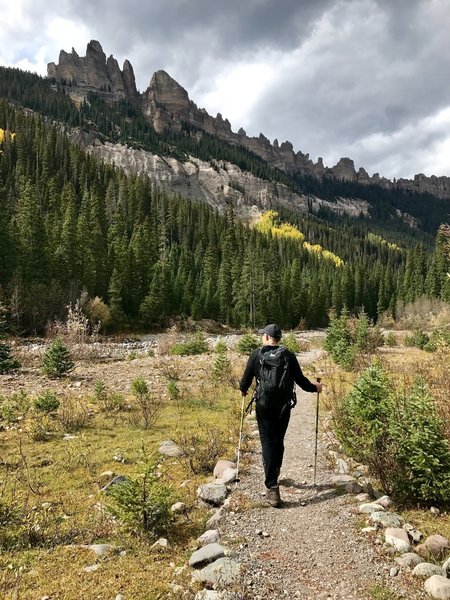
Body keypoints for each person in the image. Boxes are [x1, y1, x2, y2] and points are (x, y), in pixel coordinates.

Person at [239, 324, 323, 507]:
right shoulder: (288, 355)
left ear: (269, 337)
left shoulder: (256, 354)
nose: (262, 337)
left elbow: (245, 380)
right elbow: (301, 381)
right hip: (283, 407)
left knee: (267, 442)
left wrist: (243, 390)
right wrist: (315, 388)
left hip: (264, 406)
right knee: (279, 440)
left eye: (264, 335)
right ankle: (276, 470)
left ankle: (272, 488)